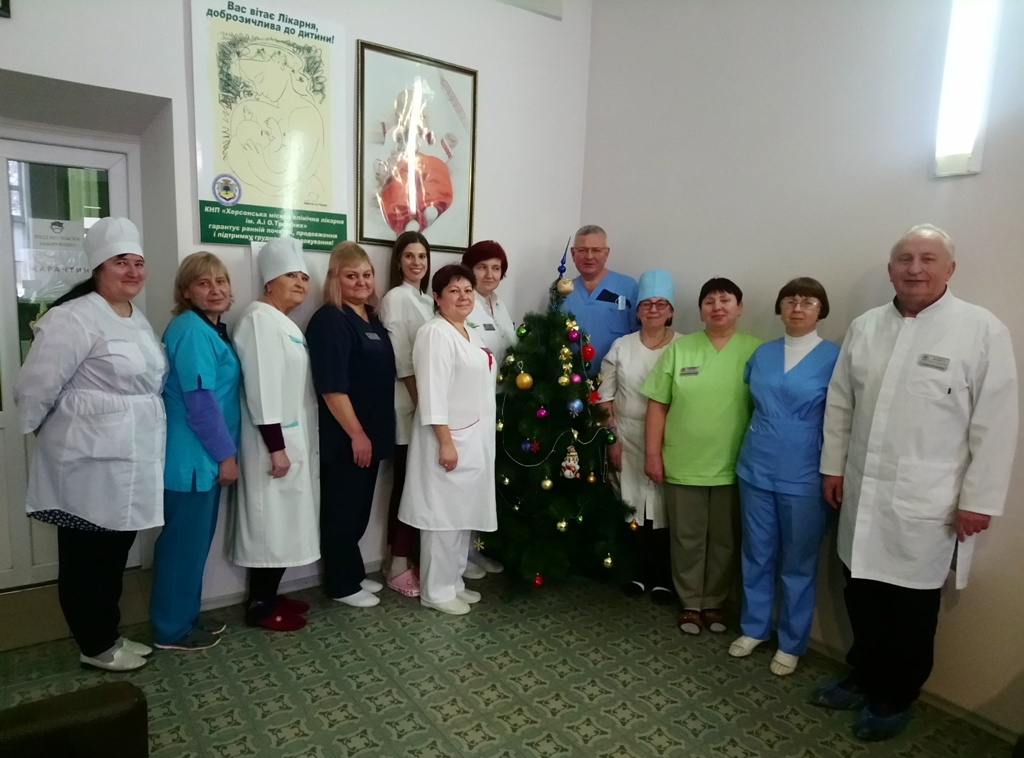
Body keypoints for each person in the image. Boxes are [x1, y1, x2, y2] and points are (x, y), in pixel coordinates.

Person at [812, 225, 1018, 741]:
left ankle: (895, 695)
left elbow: (996, 424)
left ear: (951, 269)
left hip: (929, 502)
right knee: (860, 592)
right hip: (862, 491)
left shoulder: (980, 330)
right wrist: (833, 467)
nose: (915, 268)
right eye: (904, 259)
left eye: (928, 258)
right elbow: (841, 404)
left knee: (911, 609)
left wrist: (979, 500)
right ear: (890, 270)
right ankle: (863, 674)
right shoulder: (865, 327)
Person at [15, 217, 167, 671]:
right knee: (87, 559)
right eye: (121, 262)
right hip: (87, 460)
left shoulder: (135, 317)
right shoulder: (73, 316)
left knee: (114, 552)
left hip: (132, 455)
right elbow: (34, 387)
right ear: (98, 267)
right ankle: (95, 644)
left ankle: (109, 634)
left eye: (139, 263)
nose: (133, 271)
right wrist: (52, 435)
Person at [728, 278, 839, 676]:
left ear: (821, 310)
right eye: (790, 300)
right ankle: (754, 627)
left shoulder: (835, 358)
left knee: (798, 561)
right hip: (756, 466)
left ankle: (792, 641)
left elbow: (841, 419)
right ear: (779, 308)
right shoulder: (763, 353)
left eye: (808, 302)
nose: (797, 308)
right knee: (756, 553)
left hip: (805, 473)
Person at [642, 277, 761, 636]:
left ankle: (714, 602)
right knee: (687, 537)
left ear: (739, 308)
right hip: (684, 463)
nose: (717, 307)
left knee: (726, 539)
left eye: (726, 300)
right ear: (700, 311)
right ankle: (691, 603)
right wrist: (653, 454)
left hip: (736, 465)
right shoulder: (680, 349)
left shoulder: (757, 352)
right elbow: (657, 405)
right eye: (709, 301)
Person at [151, 253, 240, 651]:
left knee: (191, 547)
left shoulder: (210, 329)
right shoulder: (191, 330)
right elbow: (201, 403)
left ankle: (184, 617)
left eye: (221, 281)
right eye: (203, 283)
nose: (215, 289)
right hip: (193, 459)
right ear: (185, 291)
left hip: (202, 457)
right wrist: (225, 456)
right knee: (181, 548)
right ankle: (171, 629)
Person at [231, 236, 320, 631]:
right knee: (270, 525)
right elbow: (262, 388)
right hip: (271, 443)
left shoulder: (283, 322)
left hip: (288, 438)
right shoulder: (259, 320)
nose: (300, 283)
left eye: (304, 277)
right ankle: (260, 606)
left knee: (284, 523)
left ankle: (270, 593)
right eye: (291, 276)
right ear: (269, 281)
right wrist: (276, 447)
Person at [398, 264, 498, 616]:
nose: (463, 296)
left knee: (461, 515)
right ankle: (436, 591)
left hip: (473, 439)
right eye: (454, 291)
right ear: (437, 298)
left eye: (468, 290)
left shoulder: (469, 332)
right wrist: (445, 441)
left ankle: (453, 581)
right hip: (448, 439)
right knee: (441, 519)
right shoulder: (435, 333)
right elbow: (431, 392)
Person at [307, 242, 396, 608]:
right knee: (342, 511)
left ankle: (354, 573)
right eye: (351, 276)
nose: (361, 282)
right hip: (347, 436)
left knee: (359, 510)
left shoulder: (371, 317)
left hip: (373, 433)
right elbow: (332, 387)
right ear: (335, 279)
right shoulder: (330, 320)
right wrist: (357, 434)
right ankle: (341, 584)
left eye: (367, 274)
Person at [598, 269, 681, 604]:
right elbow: (604, 397)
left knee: (663, 509)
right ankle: (634, 572)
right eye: (647, 304)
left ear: (671, 310)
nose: (653, 309)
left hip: (671, 438)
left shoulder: (684, 346)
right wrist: (613, 440)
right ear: (637, 311)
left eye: (661, 304)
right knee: (630, 506)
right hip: (628, 435)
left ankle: (663, 578)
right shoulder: (622, 346)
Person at [378, 231, 434, 597]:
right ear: (398, 261)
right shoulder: (396, 298)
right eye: (409, 256)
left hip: (425, 405)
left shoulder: (426, 300)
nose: (416, 262)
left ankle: (409, 558)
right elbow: (402, 360)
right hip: (407, 405)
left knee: (419, 486)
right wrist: (423, 405)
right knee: (405, 486)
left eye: (422, 256)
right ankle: (396, 564)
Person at [460, 239, 515, 578]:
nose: (490, 274)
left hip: (501, 404)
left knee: (487, 482)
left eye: (496, 268)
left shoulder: (499, 305)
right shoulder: (465, 305)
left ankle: (477, 547)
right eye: (482, 267)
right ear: (469, 270)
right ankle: (461, 554)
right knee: (468, 481)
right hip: (473, 407)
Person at [561, 225, 639, 373]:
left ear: (606, 254)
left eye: (596, 250)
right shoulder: (563, 292)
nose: (589, 256)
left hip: (616, 378)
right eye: (582, 250)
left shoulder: (628, 287)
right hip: (572, 380)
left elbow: (639, 336)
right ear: (573, 254)